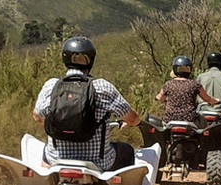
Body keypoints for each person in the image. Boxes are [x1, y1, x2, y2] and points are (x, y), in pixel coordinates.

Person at [33, 36, 142, 170]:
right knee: (127, 150)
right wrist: (135, 123)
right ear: (91, 60)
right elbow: (132, 117)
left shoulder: (51, 85)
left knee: (46, 150)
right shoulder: (103, 87)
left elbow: (37, 115)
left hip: (57, 160)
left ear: (65, 58)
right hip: (99, 162)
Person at [156, 55, 218, 122]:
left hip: (170, 118)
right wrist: (215, 101)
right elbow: (207, 98)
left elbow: (160, 98)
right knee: (204, 124)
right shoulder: (195, 84)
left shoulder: (168, 84)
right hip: (189, 118)